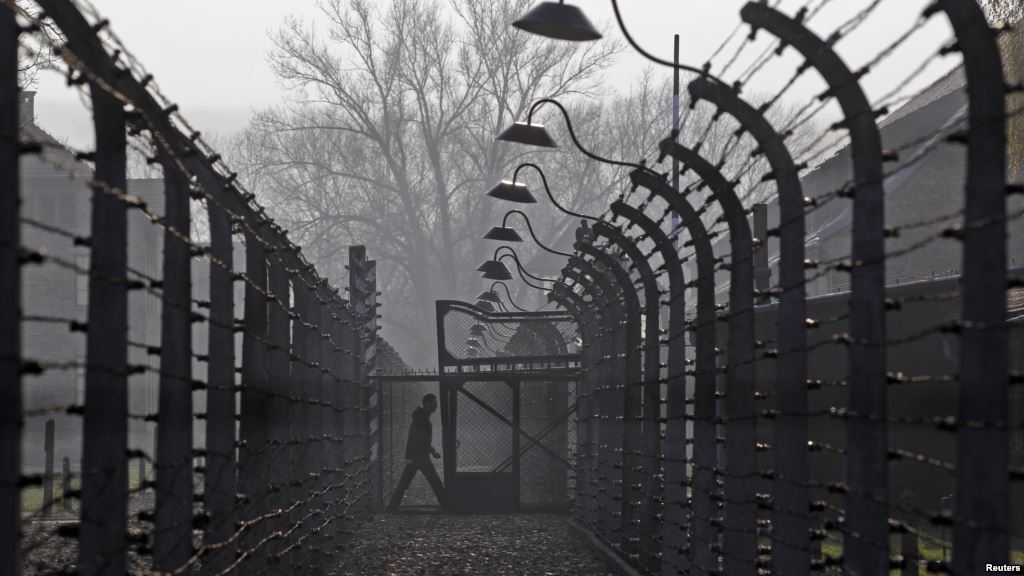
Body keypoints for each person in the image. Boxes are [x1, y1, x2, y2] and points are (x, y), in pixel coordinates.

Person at [386, 393, 446, 511]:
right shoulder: (421, 418)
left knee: (404, 484)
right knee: (435, 482)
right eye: (434, 403)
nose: (436, 406)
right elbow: (412, 437)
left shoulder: (422, 417)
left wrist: (432, 451)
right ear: (427, 403)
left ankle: (391, 508)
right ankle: (447, 506)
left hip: (417, 457)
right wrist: (408, 456)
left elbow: (422, 440)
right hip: (419, 457)